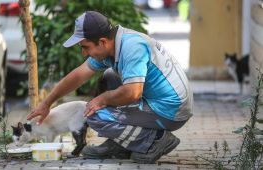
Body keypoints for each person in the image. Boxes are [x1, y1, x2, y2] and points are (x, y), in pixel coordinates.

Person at [27, 11, 193, 164]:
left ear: (102, 42)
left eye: (85, 47)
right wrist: (46, 104)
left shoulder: (132, 47)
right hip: (163, 102)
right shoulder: (112, 46)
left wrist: (101, 99)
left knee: (92, 115)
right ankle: (123, 142)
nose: (84, 53)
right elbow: (78, 75)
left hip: (172, 110)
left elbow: (133, 92)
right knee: (109, 77)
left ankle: (155, 140)